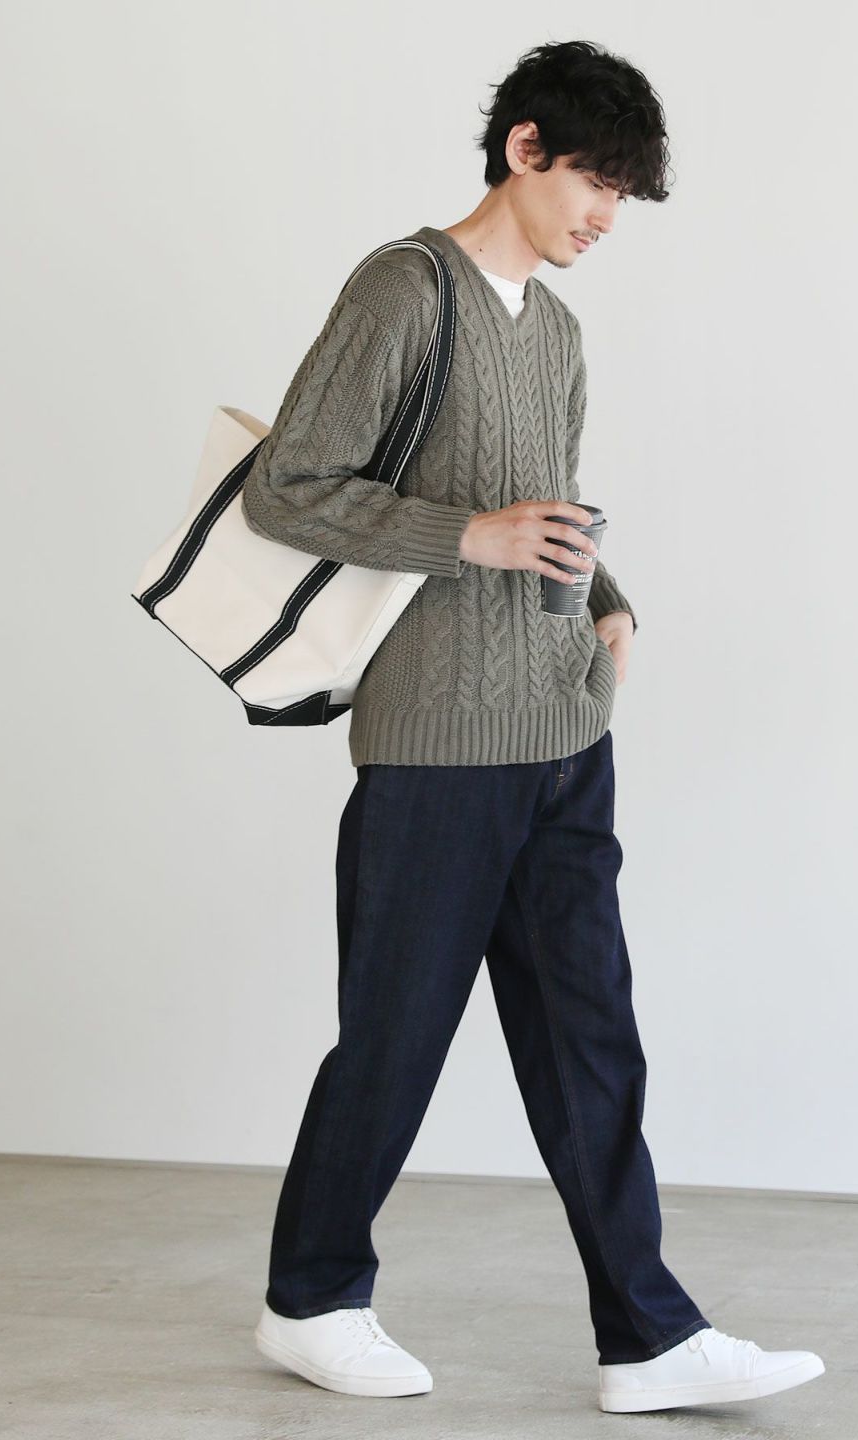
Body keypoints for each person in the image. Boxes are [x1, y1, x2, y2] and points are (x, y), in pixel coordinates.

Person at [244, 39, 825, 1414]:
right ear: (523, 149)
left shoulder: (556, 332)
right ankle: (310, 1300)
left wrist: (607, 602)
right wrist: (471, 537)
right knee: (395, 1039)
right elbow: (289, 487)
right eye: (596, 181)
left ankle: (650, 1335)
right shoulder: (403, 289)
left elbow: (544, 503)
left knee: (592, 1043)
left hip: (564, 732)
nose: (607, 214)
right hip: (437, 745)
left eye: (625, 193)